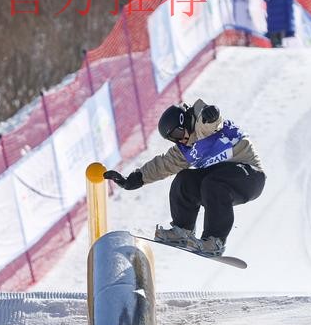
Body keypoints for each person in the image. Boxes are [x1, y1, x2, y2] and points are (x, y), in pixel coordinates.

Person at [103, 99, 266, 257]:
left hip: (249, 175)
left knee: (213, 183)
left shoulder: (201, 128)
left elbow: (211, 123)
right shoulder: (185, 149)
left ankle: (214, 241)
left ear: (186, 121)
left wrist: (211, 114)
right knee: (185, 179)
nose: (179, 139)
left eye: (178, 133)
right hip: (220, 178)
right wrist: (134, 179)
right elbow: (163, 165)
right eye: (173, 138)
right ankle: (181, 231)